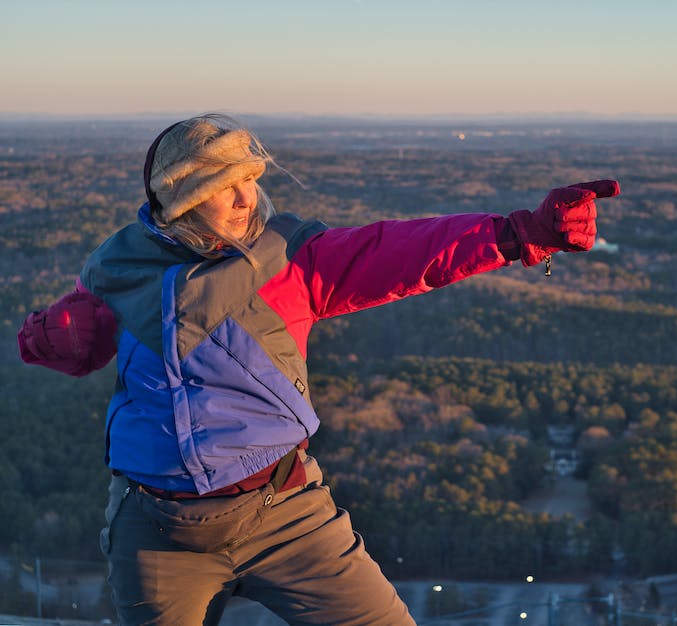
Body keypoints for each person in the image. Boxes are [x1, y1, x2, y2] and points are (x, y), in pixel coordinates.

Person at [17, 113, 620, 626]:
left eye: (250, 181)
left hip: (288, 514)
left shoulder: (293, 258)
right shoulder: (117, 265)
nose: (246, 198)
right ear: (180, 196)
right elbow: (85, 343)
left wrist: (520, 234)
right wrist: (55, 341)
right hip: (158, 532)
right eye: (225, 186)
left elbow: (402, 251)